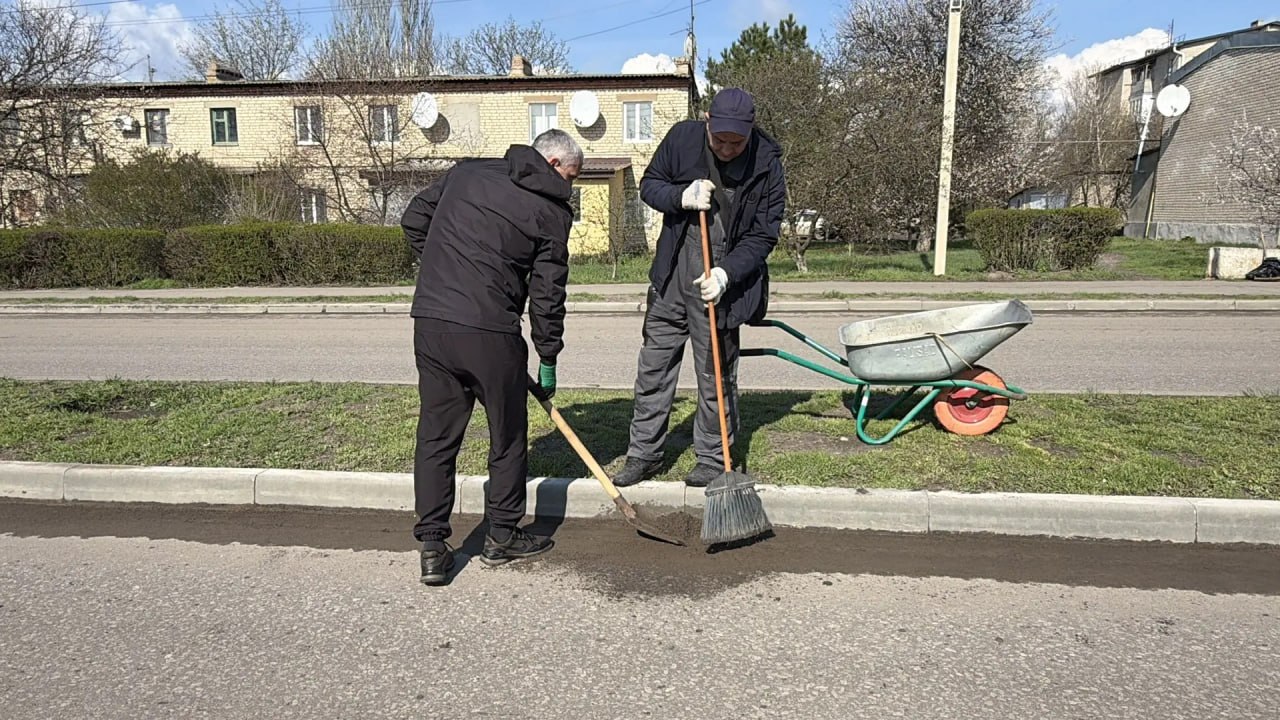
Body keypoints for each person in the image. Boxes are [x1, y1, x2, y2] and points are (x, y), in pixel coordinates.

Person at [401, 129, 582, 585]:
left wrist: (447, 268)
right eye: (572, 177)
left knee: (436, 435)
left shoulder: (468, 172)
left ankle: (432, 547)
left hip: (432, 322)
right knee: (507, 433)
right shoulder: (551, 212)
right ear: (553, 164)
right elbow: (547, 296)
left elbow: (414, 219)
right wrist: (547, 357)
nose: (571, 187)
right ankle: (501, 535)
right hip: (490, 331)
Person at [613, 87, 786, 489]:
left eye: (736, 142)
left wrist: (726, 274)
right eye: (719, 139)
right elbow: (649, 185)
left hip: (721, 283)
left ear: (751, 130)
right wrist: (681, 195)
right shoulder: (682, 138)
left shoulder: (766, 164)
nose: (726, 149)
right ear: (707, 121)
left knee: (715, 375)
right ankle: (644, 454)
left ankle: (712, 457)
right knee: (653, 369)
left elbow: (763, 235)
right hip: (672, 275)